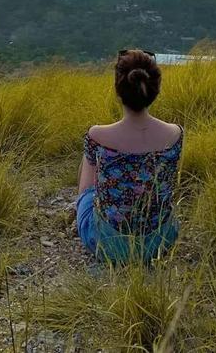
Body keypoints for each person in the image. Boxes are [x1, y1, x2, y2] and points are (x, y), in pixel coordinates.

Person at [76, 49, 183, 263]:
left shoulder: (97, 135)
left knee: (88, 180)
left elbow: (86, 185)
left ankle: (92, 216)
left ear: (118, 91)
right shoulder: (175, 134)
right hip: (160, 242)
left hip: (107, 244)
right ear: (156, 90)